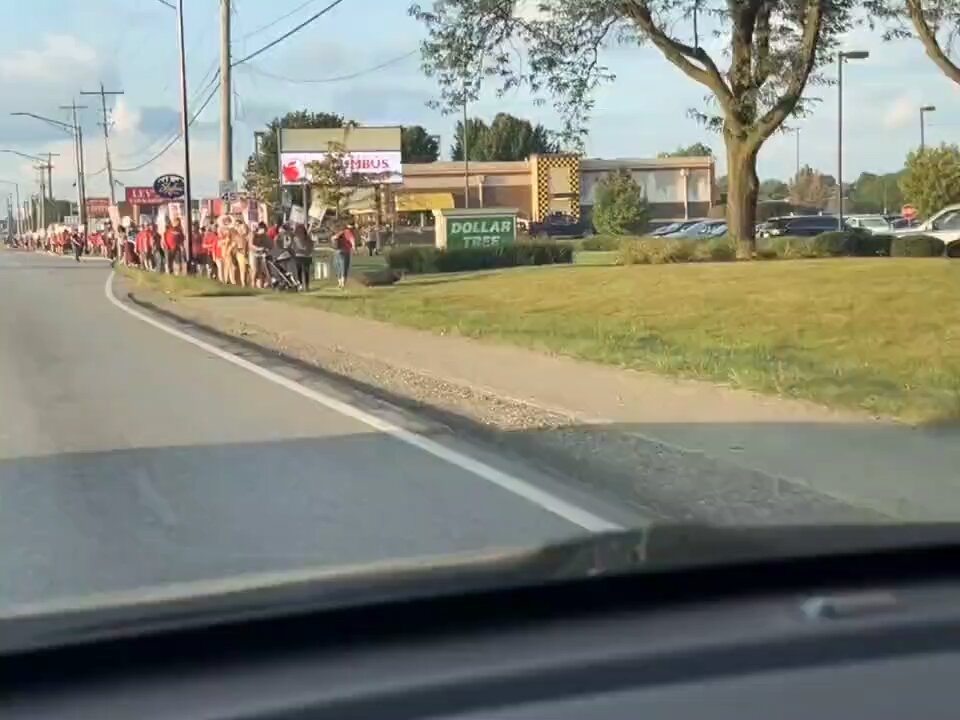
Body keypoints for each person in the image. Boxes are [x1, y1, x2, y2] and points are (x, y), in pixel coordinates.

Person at [331, 222, 355, 290]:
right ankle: (343, 283)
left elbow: (332, 240)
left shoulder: (335, 232)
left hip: (336, 252)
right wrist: (353, 246)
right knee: (344, 267)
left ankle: (339, 283)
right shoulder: (347, 232)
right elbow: (352, 239)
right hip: (345, 251)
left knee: (338, 267)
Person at [291, 223, 314, 291]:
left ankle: (306, 286)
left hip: (306, 256)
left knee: (306, 272)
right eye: (299, 229)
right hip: (298, 256)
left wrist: (308, 251)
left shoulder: (307, 237)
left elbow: (311, 245)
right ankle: (300, 285)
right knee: (299, 271)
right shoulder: (295, 238)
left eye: (301, 229)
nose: (300, 231)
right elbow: (292, 247)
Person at [251, 221, 271, 288]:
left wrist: (267, 249)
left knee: (262, 271)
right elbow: (251, 245)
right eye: (262, 228)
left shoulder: (265, 236)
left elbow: (269, 245)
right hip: (254, 254)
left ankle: (261, 285)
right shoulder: (254, 234)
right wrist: (258, 248)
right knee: (255, 270)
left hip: (262, 255)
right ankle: (253, 284)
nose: (264, 230)